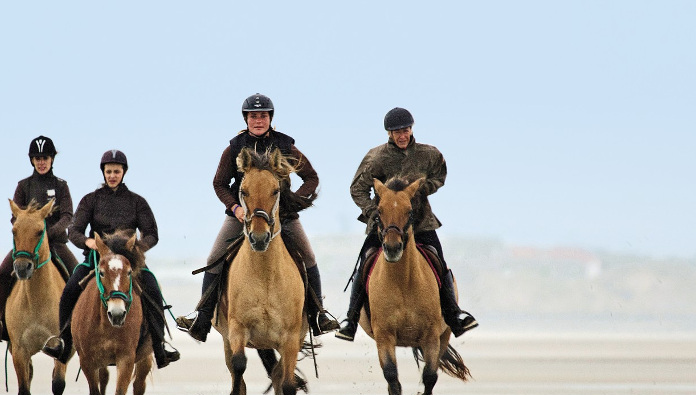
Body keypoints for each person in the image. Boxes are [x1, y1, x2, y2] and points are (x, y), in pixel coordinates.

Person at [174, 93, 341, 342]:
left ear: (270, 118)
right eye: (253, 116)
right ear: (246, 119)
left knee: (308, 256)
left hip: (281, 215)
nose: (258, 120)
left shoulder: (286, 146)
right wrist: (235, 208)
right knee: (214, 258)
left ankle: (318, 315)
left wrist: (289, 202)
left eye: (263, 115)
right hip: (243, 215)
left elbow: (312, 178)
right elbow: (219, 183)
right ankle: (202, 316)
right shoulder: (233, 148)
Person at [335, 107, 478, 341]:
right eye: (397, 132)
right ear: (389, 134)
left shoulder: (428, 154)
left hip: (421, 222)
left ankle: (454, 315)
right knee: (365, 265)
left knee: (440, 264)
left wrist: (422, 189)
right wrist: (376, 212)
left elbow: (439, 176)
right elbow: (357, 189)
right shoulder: (376, 157)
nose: (402, 136)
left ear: (412, 129)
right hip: (385, 227)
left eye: (406, 130)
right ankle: (350, 320)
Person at [41, 149, 182, 368]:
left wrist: (138, 248)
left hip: (129, 262)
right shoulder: (91, 200)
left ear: (124, 172)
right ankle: (64, 342)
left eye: (116, 171)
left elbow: (152, 233)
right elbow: (74, 231)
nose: (112, 175)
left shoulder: (137, 202)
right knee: (69, 290)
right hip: (97, 260)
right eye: (108, 171)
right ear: (103, 173)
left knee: (153, 288)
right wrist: (89, 243)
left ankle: (159, 346)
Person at [0, 135, 78, 342]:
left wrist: (48, 233)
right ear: (32, 161)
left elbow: (68, 216)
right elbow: (15, 217)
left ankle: (75, 326)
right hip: (28, 245)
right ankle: (1, 323)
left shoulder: (61, 186)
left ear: (52, 159)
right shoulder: (23, 186)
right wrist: (28, 231)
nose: (41, 162)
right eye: (37, 158)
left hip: (56, 244)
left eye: (45, 158)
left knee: (78, 277)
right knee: (1, 274)